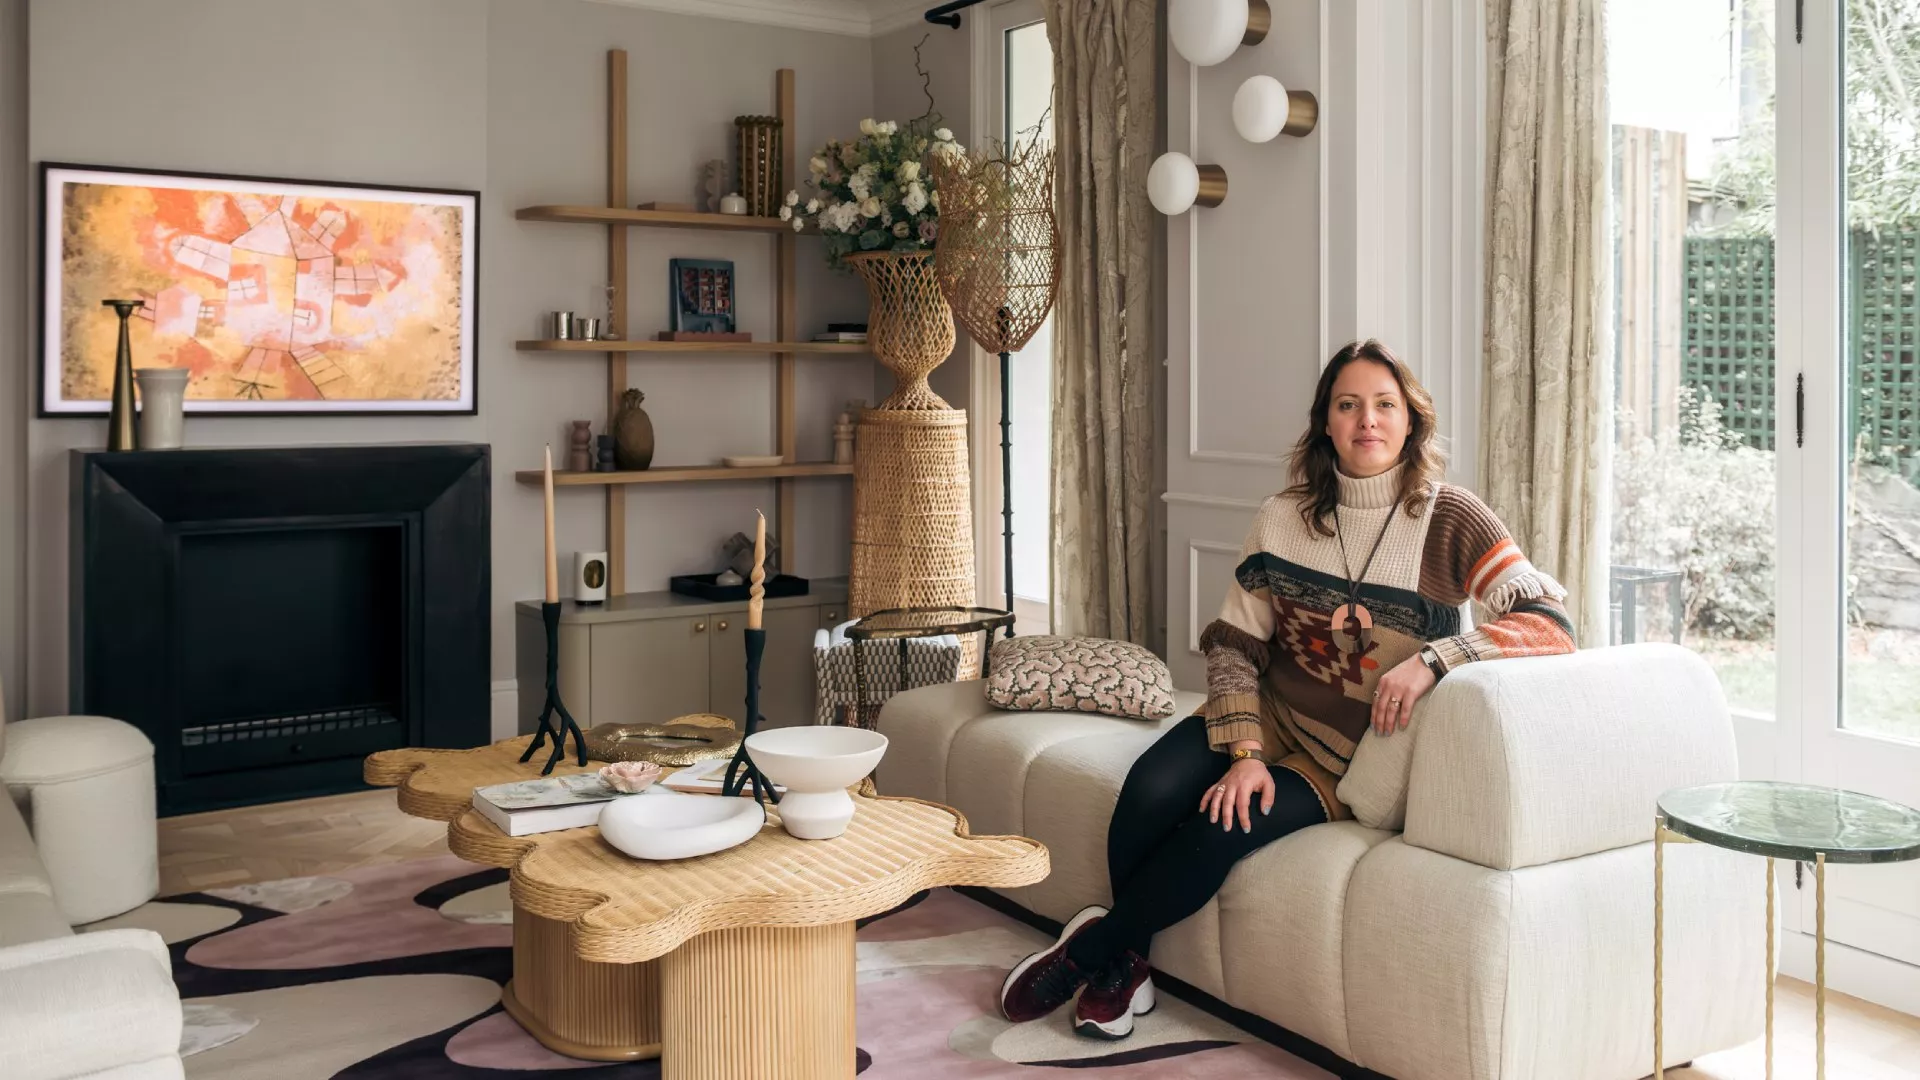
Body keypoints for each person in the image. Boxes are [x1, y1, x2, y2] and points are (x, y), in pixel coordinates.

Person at [997, 339, 1578, 1040]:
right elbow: (1235, 647)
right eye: (1349, 404)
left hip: (1339, 756)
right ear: (1326, 424)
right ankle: (1128, 968)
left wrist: (1435, 658)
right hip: (1265, 714)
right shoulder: (1283, 517)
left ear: (1411, 421)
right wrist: (1245, 754)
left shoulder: (1450, 518)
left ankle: (1088, 953)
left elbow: (1549, 622)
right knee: (1150, 788)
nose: (1368, 420)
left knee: (1221, 828)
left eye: (1385, 405)